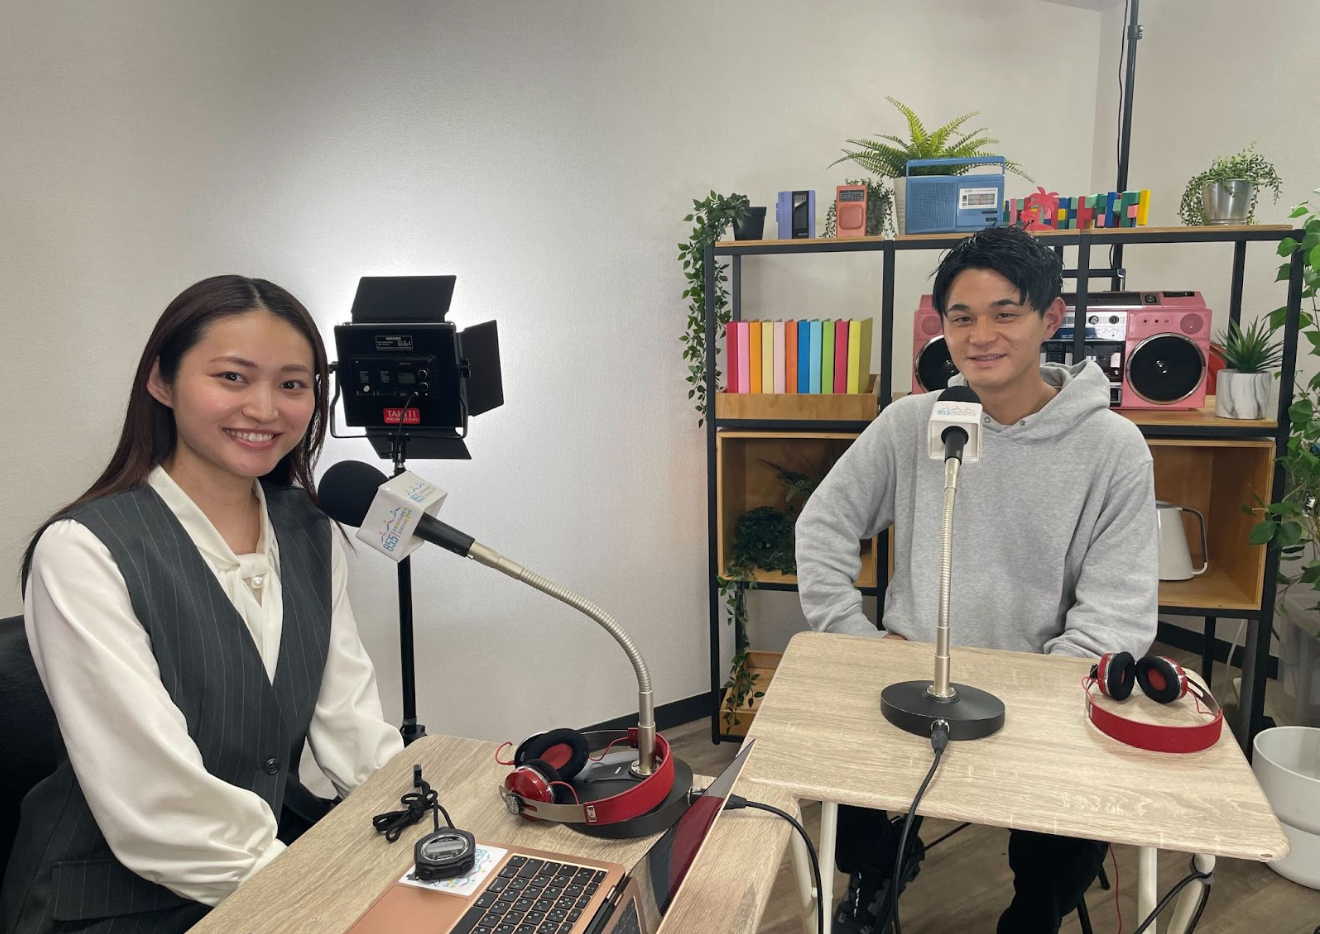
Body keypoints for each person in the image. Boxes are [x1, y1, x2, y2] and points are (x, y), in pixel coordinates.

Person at [2, 275, 404, 934]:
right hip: (117, 900)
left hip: (268, 861)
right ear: (161, 381)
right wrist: (323, 903)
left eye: (292, 384)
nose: (265, 409)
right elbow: (157, 804)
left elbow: (352, 730)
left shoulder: (309, 529)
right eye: (233, 377)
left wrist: (435, 831)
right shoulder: (81, 550)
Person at [794, 226, 1158, 934]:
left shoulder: (1113, 448)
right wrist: (855, 644)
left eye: (1005, 313)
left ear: (1050, 319)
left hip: (1044, 691)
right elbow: (824, 525)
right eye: (961, 317)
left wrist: (1037, 697)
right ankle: (878, 874)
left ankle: (1034, 913)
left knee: (1065, 838)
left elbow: (1117, 609)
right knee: (853, 795)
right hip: (910, 678)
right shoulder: (912, 424)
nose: (981, 336)